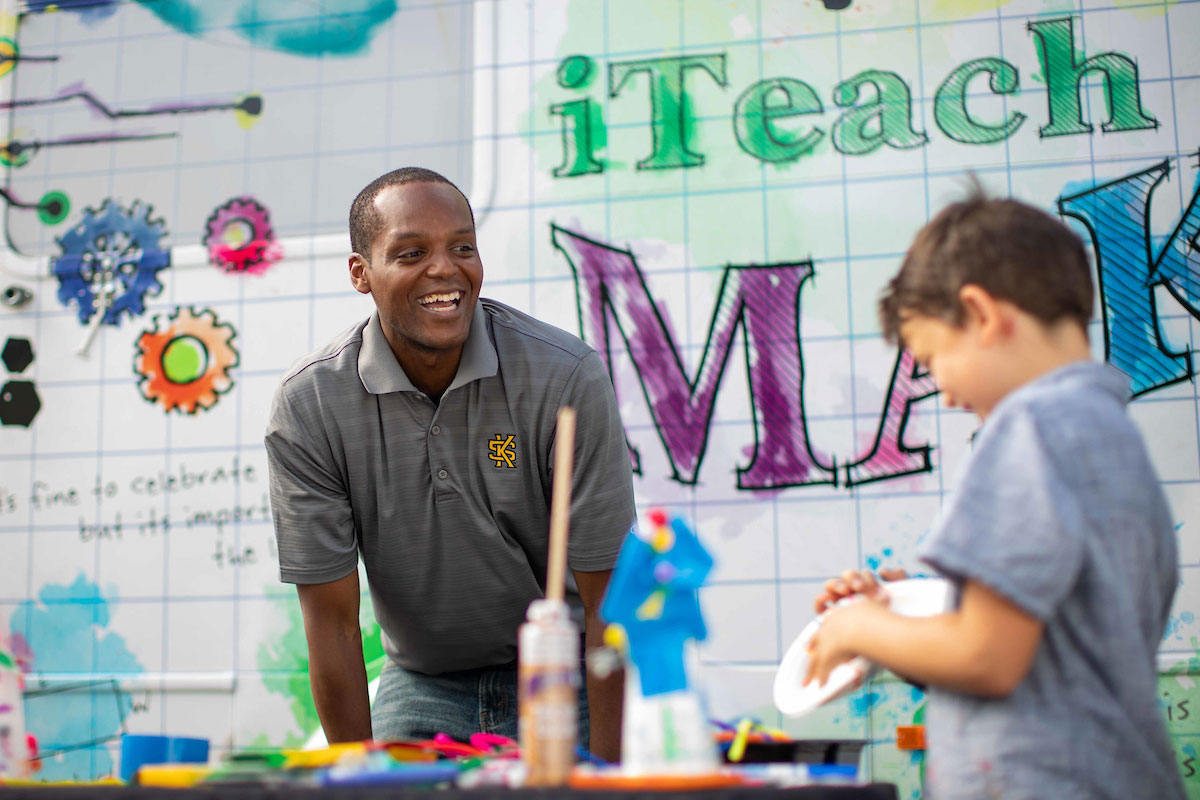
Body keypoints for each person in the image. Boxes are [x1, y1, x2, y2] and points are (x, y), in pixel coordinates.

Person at [804, 190, 1184, 799]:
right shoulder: (1109, 435)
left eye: (932, 361)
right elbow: (1046, 654)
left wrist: (857, 628)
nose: (945, 396)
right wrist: (899, 610)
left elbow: (987, 657)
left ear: (981, 314)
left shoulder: (1029, 427)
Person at [264, 167, 635, 760]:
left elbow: (609, 604)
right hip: (423, 686)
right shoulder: (311, 405)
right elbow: (332, 623)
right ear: (361, 273)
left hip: (565, 676)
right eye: (411, 252)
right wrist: (361, 777)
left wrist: (611, 775)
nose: (445, 269)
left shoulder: (563, 376)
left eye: (462, 247)